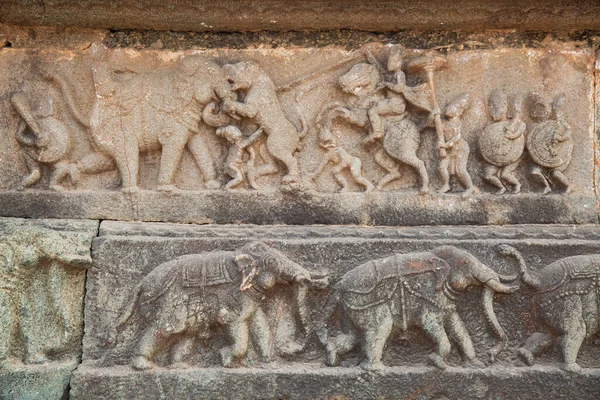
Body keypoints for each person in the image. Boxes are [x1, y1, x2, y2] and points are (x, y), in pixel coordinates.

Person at [437, 94, 478, 197]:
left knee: (460, 170)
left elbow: (456, 138)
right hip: (448, 150)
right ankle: (446, 184)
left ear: (459, 112)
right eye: (450, 105)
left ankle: (470, 188)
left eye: (454, 107)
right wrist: (434, 115)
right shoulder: (442, 122)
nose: (450, 109)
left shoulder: (457, 124)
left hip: (460, 148)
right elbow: (433, 123)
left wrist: (446, 145)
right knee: (442, 167)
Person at [216, 125, 264, 190]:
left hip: (236, 165)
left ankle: (250, 185)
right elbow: (250, 140)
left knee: (247, 172)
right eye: (239, 138)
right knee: (239, 178)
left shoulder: (235, 144)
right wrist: (259, 131)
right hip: (232, 166)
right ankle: (227, 187)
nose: (241, 139)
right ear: (232, 138)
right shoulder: (239, 144)